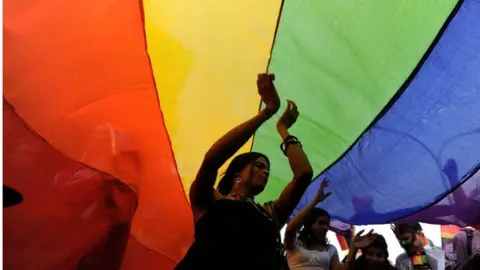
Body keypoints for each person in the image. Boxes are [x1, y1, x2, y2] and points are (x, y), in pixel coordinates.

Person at [176, 73, 314, 270]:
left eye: (267, 169)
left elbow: (303, 174)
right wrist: (267, 112)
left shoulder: (270, 214)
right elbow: (212, 159)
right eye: (259, 166)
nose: (265, 172)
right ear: (236, 174)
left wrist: (283, 129)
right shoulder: (208, 199)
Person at [284, 179, 342, 270]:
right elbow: (290, 228)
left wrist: (353, 249)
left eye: (327, 224)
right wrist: (315, 201)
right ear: (310, 225)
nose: (325, 227)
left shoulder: (330, 249)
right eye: (321, 223)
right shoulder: (294, 244)